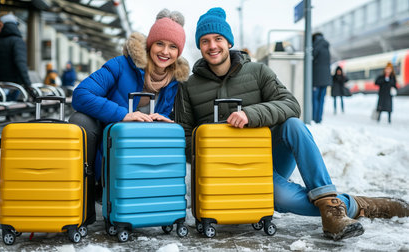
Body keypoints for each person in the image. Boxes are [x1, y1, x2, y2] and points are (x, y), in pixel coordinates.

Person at [175, 7, 409, 241]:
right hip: (222, 172)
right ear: (199, 46)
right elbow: (185, 140)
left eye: (218, 39)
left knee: (293, 124)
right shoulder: (189, 87)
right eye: (205, 41)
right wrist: (212, 145)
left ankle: (330, 204)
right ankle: (350, 205)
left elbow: (291, 104)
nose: (212, 46)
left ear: (228, 41)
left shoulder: (257, 72)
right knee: (284, 200)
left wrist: (251, 114)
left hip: (265, 160)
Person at [69, 9, 189, 226]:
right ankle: (86, 201)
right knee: (81, 121)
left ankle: (147, 201)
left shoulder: (173, 81)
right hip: (110, 144)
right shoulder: (120, 65)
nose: (165, 52)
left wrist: (162, 121)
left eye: (173, 47)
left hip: (138, 151)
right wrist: (122, 115)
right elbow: (81, 95)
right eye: (160, 43)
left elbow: (164, 113)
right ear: (150, 44)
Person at [0, 12, 32, 100]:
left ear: (7, 26)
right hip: (13, 87)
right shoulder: (17, 41)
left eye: (0, 26)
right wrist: (29, 85)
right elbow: (21, 64)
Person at [312, 32, 332, 123]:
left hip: (316, 78)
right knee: (322, 99)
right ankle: (319, 119)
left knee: (314, 99)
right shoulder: (326, 47)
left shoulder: (316, 46)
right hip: (326, 79)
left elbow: (311, 59)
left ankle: (314, 118)